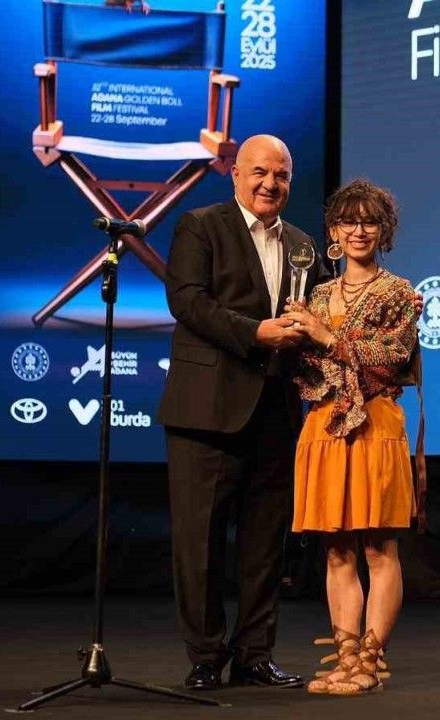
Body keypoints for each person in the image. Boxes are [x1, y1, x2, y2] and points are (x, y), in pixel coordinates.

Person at [158, 134, 330, 690]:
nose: (269, 184)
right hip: (205, 412)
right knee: (199, 544)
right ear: (235, 173)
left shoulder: (303, 244)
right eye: (259, 172)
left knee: (264, 544)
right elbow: (187, 300)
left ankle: (255, 654)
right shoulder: (200, 225)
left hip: (276, 412)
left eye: (281, 175)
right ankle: (205, 658)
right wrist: (256, 333)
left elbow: (323, 311)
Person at [282, 179, 423, 696]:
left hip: (375, 426)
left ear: (384, 231)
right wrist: (299, 336)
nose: (359, 230)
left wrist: (325, 339)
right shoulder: (318, 294)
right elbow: (307, 369)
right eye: (349, 221)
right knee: (337, 550)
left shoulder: (399, 292)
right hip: (323, 426)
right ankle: (345, 658)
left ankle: (370, 659)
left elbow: (390, 358)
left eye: (369, 222)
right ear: (334, 232)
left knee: (379, 547)